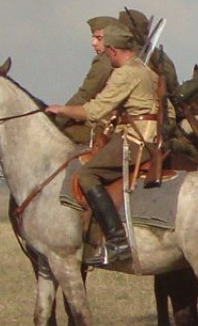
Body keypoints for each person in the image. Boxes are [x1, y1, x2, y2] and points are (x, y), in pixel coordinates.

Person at [46, 22, 163, 266]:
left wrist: (62, 110)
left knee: (86, 175)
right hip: (150, 137)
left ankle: (117, 240)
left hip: (134, 140)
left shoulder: (125, 73)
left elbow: (96, 110)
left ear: (112, 49)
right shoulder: (146, 70)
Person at [54, 15, 117, 144]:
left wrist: (57, 122)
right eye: (93, 37)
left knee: (58, 137)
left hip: (105, 128)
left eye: (99, 38)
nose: (93, 43)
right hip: (111, 126)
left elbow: (85, 95)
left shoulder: (104, 61)